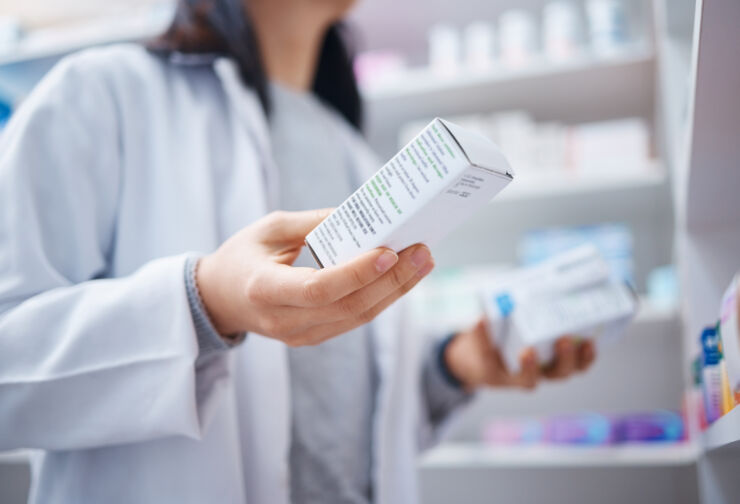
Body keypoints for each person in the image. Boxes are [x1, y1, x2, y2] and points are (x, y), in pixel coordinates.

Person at [0, 0, 596, 502]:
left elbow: (344, 422)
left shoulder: (354, 153)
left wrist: (454, 367)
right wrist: (203, 304)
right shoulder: (102, 94)